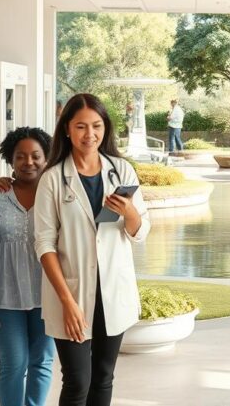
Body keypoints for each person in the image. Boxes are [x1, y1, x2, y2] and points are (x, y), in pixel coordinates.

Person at [34, 93, 151, 406]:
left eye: (96, 126)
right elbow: (44, 244)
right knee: (76, 381)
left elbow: (140, 232)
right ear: (67, 130)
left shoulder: (122, 170)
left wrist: (129, 212)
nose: (90, 134)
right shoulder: (53, 178)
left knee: (103, 376)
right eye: (81, 126)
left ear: (105, 128)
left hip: (113, 290)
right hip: (71, 292)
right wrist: (67, 302)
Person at [0, 127, 55, 406]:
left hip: (49, 291)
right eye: (21, 156)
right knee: (13, 363)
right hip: (4, 293)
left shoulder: (55, 194)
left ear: (46, 157)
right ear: (11, 160)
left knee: (42, 360)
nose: (29, 162)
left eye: (36, 156)